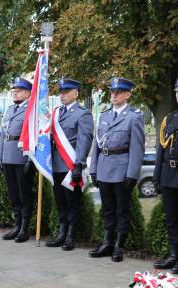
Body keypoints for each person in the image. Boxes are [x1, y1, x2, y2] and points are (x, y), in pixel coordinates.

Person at [89, 77, 145, 262]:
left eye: (118, 92)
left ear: (127, 94)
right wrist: (94, 169)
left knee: (122, 210)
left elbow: (137, 148)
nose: (114, 95)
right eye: (112, 92)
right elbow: (96, 147)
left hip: (121, 171)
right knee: (107, 209)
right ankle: (107, 243)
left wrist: (132, 173)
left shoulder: (134, 117)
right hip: (104, 168)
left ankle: (119, 245)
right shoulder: (104, 116)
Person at [46, 79, 94, 251]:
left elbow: (84, 141)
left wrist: (78, 165)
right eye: (61, 92)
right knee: (60, 202)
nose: (63, 95)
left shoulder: (83, 114)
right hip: (56, 165)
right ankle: (61, 233)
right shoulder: (55, 113)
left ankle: (70, 236)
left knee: (72, 202)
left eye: (66, 92)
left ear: (76, 93)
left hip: (71, 165)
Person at [0, 77, 34, 243]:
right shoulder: (10, 110)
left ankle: (25, 229)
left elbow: (33, 136)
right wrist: (0, 156)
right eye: (14, 90)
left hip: (21, 157)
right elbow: (2, 135)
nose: (15, 93)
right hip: (8, 156)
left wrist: (29, 159)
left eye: (18, 90)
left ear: (27, 93)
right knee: (13, 195)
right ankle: (17, 225)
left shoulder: (31, 111)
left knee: (24, 194)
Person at [152, 78, 178, 272]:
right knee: (171, 219)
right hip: (169, 175)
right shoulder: (170, 119)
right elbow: (161, 150)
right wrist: (157, 176)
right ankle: (174, 255)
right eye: (177, 92)